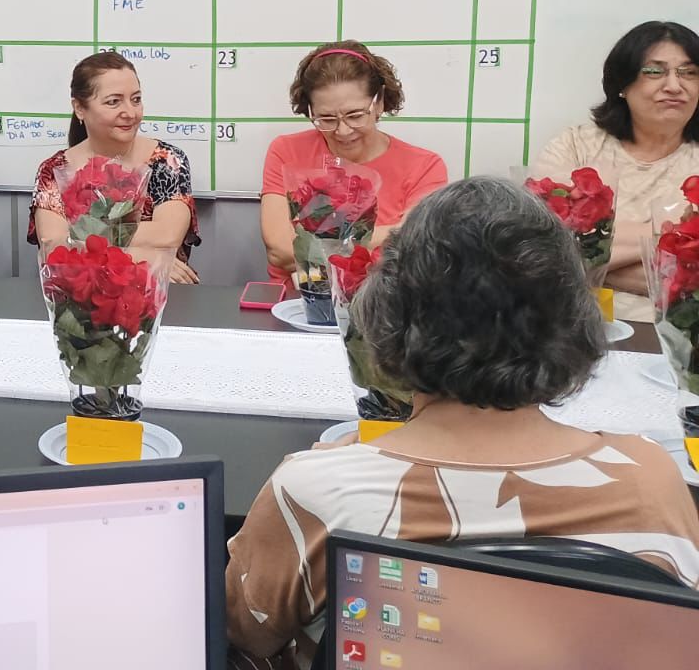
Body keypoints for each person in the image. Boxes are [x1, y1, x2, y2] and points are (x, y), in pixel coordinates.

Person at [226, 177, 699, 668]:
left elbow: (243, 634)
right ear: (572, 324)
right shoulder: (649, 479)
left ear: (385, 318)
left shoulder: (318, 489)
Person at [536, 20, 699, 309]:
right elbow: (545, 251)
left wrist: (593, 259)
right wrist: (675, 235)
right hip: (573, 329)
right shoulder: (575, 147)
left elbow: (574, 256)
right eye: (654, 71)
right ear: (622, 84)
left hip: (683, 340)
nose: (674, 86)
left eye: (689, 73)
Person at [259, 41, 447, 287]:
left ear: (379, 103)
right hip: (293, 306)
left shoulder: (424, 166)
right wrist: (390, 233)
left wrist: (312, 247)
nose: (343, 130)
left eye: (355, 115)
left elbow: (414, 251)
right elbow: (280, 250)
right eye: (326, 118)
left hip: (382, 309)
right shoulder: (286, 151)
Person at [27, 51, 199, 282]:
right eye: (114, 102)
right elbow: (53, 245)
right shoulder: (55, 170)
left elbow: (167, 237)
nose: (130, 113)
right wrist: (141, 255)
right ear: (79, 108)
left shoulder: (167, 161)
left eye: (136, 99)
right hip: (80, 300)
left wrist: (81, 239)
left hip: (161, 295)